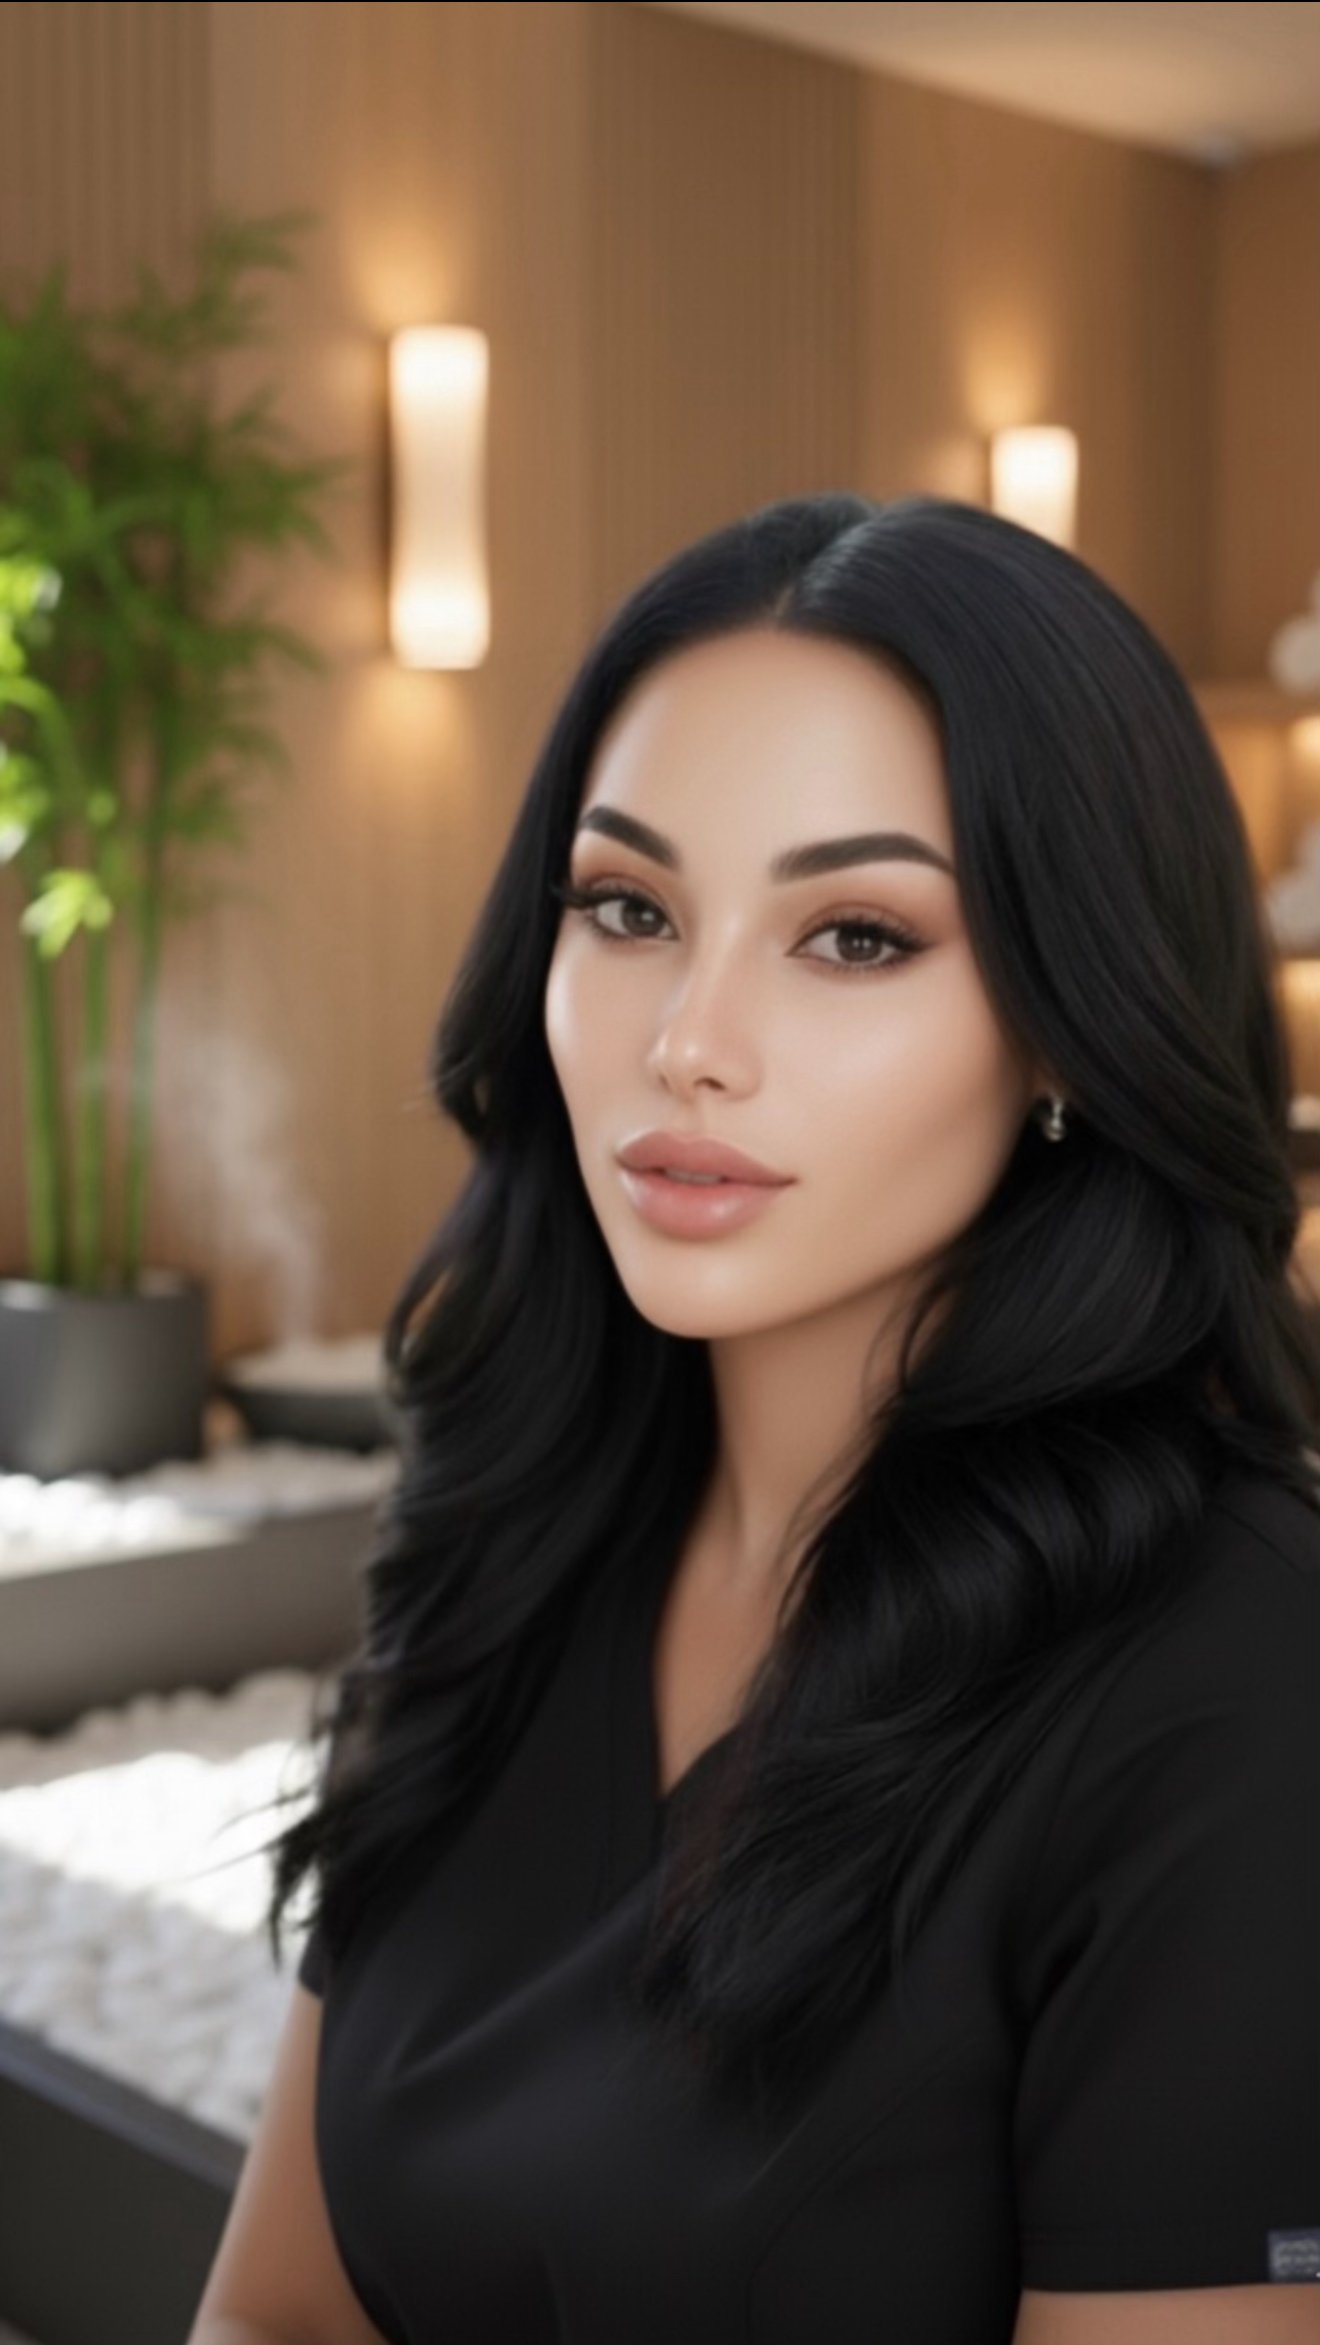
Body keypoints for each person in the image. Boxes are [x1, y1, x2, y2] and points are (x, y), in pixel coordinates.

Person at [188, 492, 1320, 2345]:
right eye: (628, 907)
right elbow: (281, 2314)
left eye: (856, 936)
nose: (688, 1037)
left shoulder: (1241, 1689)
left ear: (1070, 1025)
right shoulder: (511, 1546)